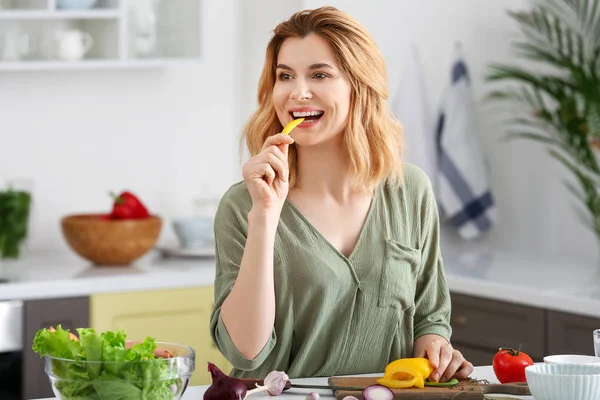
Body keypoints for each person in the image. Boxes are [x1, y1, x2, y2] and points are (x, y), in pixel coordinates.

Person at [210, 6, 474, 383]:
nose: (298, 92)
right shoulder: (244, 205)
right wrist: (265, 216)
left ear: (358, 85)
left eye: (319, 74)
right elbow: (245, 352)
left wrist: (435, 346)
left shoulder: (408, 190)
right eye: (285, 76)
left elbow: (430, 316)